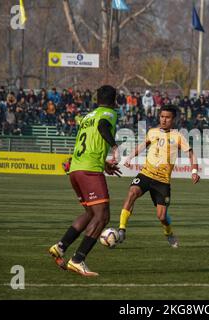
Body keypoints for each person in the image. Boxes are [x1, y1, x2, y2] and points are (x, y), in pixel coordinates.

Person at [48, 85, 122, 277]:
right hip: (89, 171)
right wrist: (114, 147)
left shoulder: (88, 116)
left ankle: (60, 247)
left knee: (91, 212)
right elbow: (102, 127)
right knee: (102, 216)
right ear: (115, 100)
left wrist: (104, 163)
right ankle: (78, 260)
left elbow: (90, 142)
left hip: (76, 169)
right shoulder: (109, 114)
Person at [117, 105, 200, 248]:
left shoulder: (178, 136)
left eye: (167, 117)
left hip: (162, 181)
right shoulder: (152, 132)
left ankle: (168, 233)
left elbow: (191, 154)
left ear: (173, 119)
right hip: (146, 174)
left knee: (161, 216)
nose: (164, 120)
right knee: (132, 193)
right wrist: (129, 157)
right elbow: (142, 145)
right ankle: (121, 229)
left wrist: (194, 172)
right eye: (162, 116)